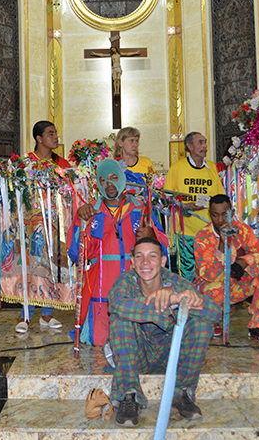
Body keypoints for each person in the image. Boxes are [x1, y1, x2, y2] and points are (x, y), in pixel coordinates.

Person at [108, 237, 220, 427]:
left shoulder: (177, 282)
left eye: (152, 256)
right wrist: (172, 300)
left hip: (172, 356)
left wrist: (177, 297)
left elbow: (214, 312)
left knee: (201, 325)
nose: (145, 263)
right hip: (137, 354)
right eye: (139, 257)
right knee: (120, 320)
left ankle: (181, 395)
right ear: (132, 262)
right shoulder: (125, 282)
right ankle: (129, 395)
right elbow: (117, 304)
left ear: (162, 261)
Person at [68, 158, 168, 346]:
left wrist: (152, 236)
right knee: (99, 341)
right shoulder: (90, 211)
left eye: (114, 177)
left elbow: (164, 250)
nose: (109, 184)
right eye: (103, 180)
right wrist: (82, 224)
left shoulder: (142, 209)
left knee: (137, 341)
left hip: (136, 286)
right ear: (98, 184)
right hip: (101, 286)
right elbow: (76, 254)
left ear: (122, 178)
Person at [194, 194, 259, 341]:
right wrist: (221, 244)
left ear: (232, 213)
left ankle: (258, 324)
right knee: (216, 287)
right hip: (212, 290)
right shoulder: (202, 237)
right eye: (215, 215)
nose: (220, 220)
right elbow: (209, 276)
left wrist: (244, 262)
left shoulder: (241, 229)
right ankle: (210, 321)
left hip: (236, 286)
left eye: (224, 214)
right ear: (209, 214)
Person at [15, 120, 70, 333]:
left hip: (55, 225)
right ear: (39, 138)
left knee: (51, 267)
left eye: (56, 133)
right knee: (30, 267)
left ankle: (47, 314)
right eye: (50, 133)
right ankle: (25, 315)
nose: (56, 137)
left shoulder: (62, 165)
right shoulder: (26, 163)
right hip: (31, 224)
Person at [164, 132, 225, 280]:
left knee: (210, 271)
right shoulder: (177, 168)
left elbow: (220, 198)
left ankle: (208, 301)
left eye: (205, 142)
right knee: (187, 274)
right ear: (190, 146)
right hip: (186, 232)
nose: (204, 146)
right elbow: (166, 197)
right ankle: (188, 301)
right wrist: (184, 205)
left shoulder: (211, 167)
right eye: (200, 142)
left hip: (209, 231)